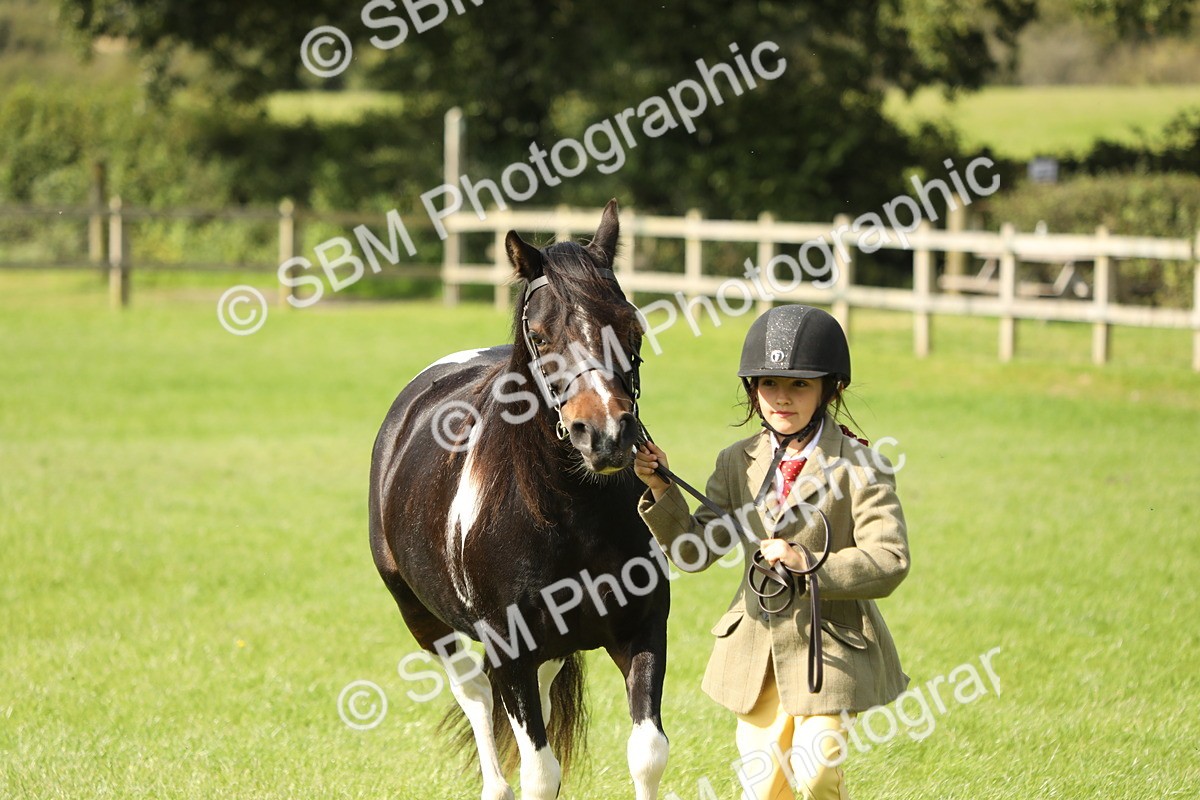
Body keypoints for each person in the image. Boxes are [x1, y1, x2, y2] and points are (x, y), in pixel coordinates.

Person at [634, 305, 910, 800]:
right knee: (763, 788)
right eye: (768, 384)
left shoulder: (862, 465)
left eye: (799, 385)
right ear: (752, 389)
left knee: (817, 771)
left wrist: (809, 563)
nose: (781, 398)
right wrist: (661, 490)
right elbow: (696, 551)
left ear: (832, 388)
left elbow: (889, 558)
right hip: (756, 650)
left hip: (829, 649)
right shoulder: (736, 461)